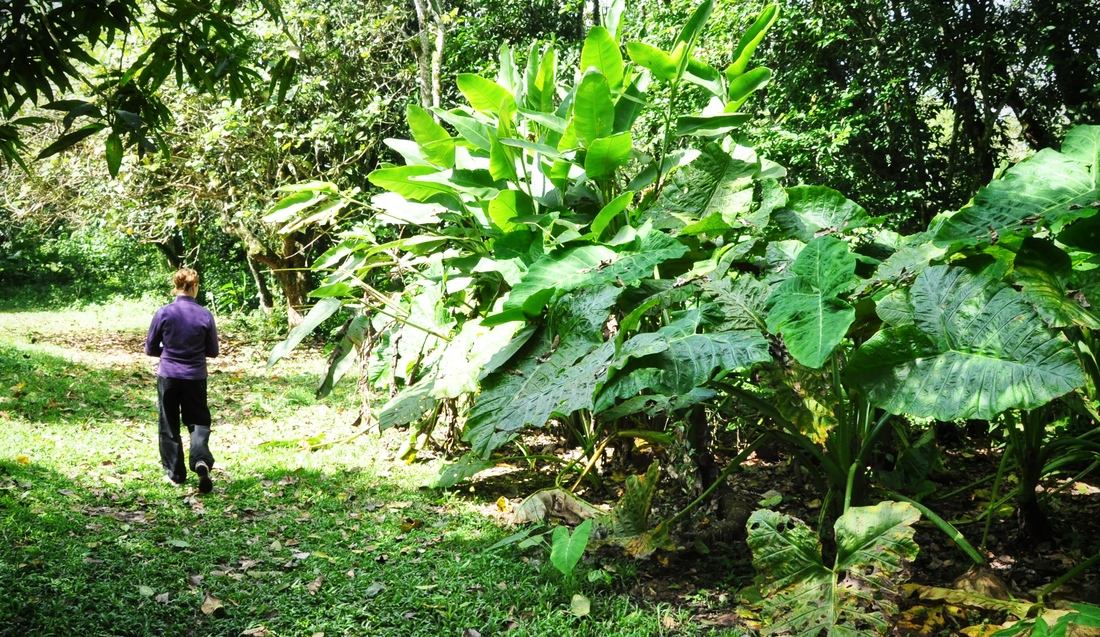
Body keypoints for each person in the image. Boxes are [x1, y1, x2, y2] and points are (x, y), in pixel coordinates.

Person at [145, 268, 219, 493]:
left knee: (168, 422)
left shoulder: (164, 313)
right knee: (197, 420)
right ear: (194, 287)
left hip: (168, 374)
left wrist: (168, 351)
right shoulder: (205, 315)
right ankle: (200, 460)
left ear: (175, 287)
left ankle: (175, 474)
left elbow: (150, 347)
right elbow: (213, 351)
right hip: (195, 376)